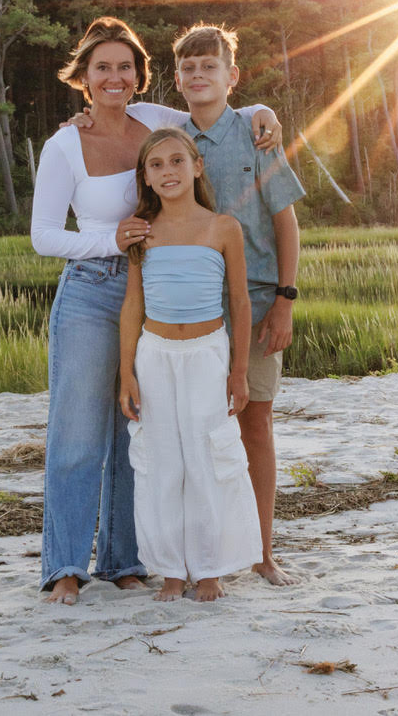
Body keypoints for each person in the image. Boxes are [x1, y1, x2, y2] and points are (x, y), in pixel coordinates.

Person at [30, 16, 280, 605]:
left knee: (137, 434)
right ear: (84, 77)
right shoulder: (64, 144)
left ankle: (124, 561)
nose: (113, 77)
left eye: (125, 67)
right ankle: (65, 566)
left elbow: (214, 106)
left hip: (159, 293)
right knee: (78, 436)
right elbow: (43, 235)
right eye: (102, 68)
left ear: (139, 76)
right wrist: (110, 240)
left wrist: (263, 109)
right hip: (93, 289)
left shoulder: (154, 120)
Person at [172, 24, 306, 587]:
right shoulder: (170, 142)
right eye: (188, 68)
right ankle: (204, 557)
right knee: (198, 430)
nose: (198, 75)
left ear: (232, 76)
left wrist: (285, 300)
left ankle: (262, 553)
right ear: (176, 79)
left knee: (256, 424)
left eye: (210, 66)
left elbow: (286, 223)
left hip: (258, 299)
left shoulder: (258, 136)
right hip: (194, 309)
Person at [117, 128, 261, 602]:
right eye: (156, 165)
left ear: (197, 167)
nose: (168, 172)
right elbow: (133, 304)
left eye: (177, 161)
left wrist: (238, 371)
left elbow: (240, 303)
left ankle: (210, 568)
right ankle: (171, 571)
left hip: (207, 356)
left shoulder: (223, 227)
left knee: (206, 459)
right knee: (161, 462)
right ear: (145, 177)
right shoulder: (142, 230)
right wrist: (127, 371)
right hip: (155, 355)